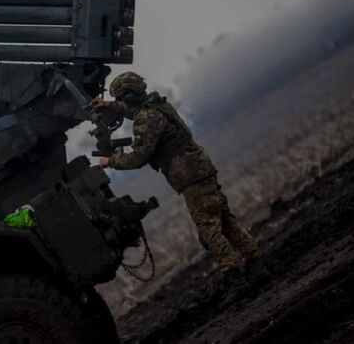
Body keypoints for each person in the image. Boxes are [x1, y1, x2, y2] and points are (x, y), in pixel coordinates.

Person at [94, 72, 267, 283]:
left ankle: (234, 274)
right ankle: (254, 262)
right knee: (225, 221)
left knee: (208, 230)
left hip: (191, 176)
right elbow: (133, 111)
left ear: (128, 98)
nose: (120, 103)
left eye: (120, 99)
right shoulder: (156, 105)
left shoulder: (146, 118)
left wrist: (110, 161)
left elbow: (138, 158)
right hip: (200, 169)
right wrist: (109, 105)